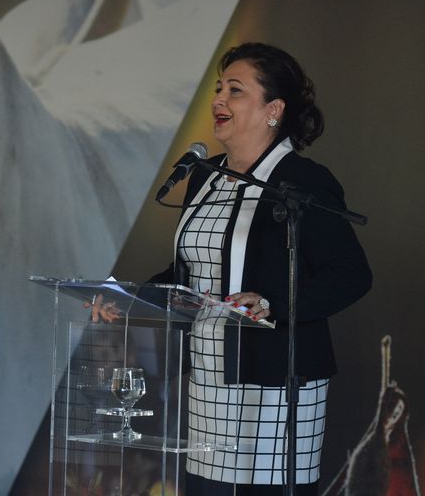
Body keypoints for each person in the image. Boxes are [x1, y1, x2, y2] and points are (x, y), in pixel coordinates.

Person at [92, 42, 371, 495]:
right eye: (219, 88)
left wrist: (271, 303)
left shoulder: (303, 182)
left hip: (276, 384)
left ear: (272, 109)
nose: (218, 99)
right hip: (208, 378)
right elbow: (189, 273)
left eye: (235, 91)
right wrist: (126, 300)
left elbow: (351, 275)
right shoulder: (205, 176)